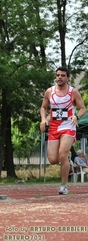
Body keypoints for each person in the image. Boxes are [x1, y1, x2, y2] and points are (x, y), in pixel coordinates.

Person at [40, 67, 86, 195]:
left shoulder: (73, 92)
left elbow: (83, 108)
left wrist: (76, 116)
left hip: (68, 125)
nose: (59, 77)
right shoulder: (49, 92)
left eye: (63, 75)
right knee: (53, 159)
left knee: (62, 154)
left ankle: (63, 186)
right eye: (58, 75)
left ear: (68, 78)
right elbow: (43, 107)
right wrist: (43, 119)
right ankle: (67, 160)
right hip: (54, 127)